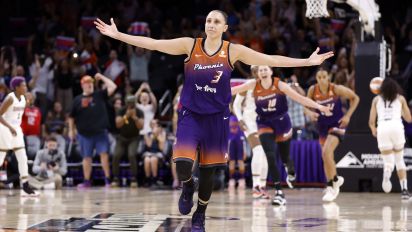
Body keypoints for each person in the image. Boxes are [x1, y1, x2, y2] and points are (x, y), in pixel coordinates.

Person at [95, 10, 333, 231]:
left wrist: (306, 62)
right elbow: (154, 44)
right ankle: (188, 185)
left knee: (208, 173)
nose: (211, 24)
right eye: (208, 20)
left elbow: (269, 58)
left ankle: (200, 213)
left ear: (225, 27)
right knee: (182, 165)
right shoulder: (190, 45)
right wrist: (118, 35)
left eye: (216, 21)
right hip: (190, 114)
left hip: (217, 119)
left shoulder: (232, 51)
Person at [232, 65, 332, 206]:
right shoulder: (250, 85)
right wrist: (210, 93)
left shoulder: (279, 84)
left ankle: (282, 173)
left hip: (281, 122)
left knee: (283, 157)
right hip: (258, 123)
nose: (260, 72)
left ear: (271, 71)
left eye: (263, 69)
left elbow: (299, 98)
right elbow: (232, 95)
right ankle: (267, 189)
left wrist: (320, 107)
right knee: (264, 153)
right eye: (258, 70)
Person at [305, 69, 359, 202]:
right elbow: (305, 105)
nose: (322, 79)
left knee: (326, 152)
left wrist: (348, 116)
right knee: (326, 157)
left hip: (337, 125)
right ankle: (334, 180)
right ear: (316, 78)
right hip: (322, 127)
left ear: (328, 77)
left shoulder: (336, 89)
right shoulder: (313, 90)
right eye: (319, 77)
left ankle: (331, 185)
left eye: (324, 76)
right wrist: (309, 113)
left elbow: (355, 98)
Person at [68, 73, 117, 188]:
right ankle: (86, 181)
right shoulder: (77, 100)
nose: (89, 85)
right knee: (86, 157)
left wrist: (102, 77)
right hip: (84, 134)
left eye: (91, 83)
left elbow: (113, 87)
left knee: (104, 155)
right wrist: (71, 130)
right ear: (82, 85)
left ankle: (107, 180)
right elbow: (71, 117)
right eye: (87, 83)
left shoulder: (99, 95)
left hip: (100, 132)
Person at [369, 77, 412, 199]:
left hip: (383, 127)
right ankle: (404, 191)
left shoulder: (376, 99)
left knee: (388, 161)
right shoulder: (401, 98)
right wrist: (402, 112)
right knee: (399, 160)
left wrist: (373, 130)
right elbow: (409, 119)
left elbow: (371, 121)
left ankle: (387, 172)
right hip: (397, 127)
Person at [232, 65, 269, 199]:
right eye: (254, 70)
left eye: (258, 70)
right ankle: (255, 186)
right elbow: (235, 104)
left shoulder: (268, 85)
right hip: (249, 122)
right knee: (258, 150)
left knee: (265, 153)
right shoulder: (248, 85)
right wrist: (240, 119)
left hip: (263, 122)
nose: (256, 73)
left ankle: (263, 186)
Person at [0, 76, 39, 196]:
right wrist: (10, 127)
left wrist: (29, 101)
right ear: (16, 87)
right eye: (23, 85)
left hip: (17, 129)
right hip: (5, 128)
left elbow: (21, 110)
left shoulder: (23, 98)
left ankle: (25, 185)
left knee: (23, 157)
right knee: (1, 158)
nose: (26, 87)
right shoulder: (10, 98)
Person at [111, 95, 144, 188]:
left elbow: (141, 127)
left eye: (132, 103)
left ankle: (134, 178)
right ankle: (116, 178)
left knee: (131, 155)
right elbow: (118, 124)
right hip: (122, 138)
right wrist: (126, 116)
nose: (131, 105)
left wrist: (135, 118)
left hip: (134, 138)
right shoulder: (121, 110)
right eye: (129, 103)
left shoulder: (139, 112)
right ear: (126, 103)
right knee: (116, 155)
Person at [142, 119, 166, 187]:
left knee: (153, 159)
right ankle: (148, 179)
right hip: (149, 152)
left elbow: (161, 148)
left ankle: (155, 179)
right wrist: (152, 135)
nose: (153, 125)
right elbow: (149, 145)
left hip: (158, 153)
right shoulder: (147, 134)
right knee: (147, 159)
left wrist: (157, 136)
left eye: (155, 124)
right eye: (152, 124)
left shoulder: (162, 133)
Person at [227, 114, 247, 190]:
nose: (232, 124)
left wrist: (245, 152)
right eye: (231, 122)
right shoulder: (228, 130)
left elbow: (244, 142)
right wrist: (227, 153)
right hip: (231, 147)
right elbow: (227, 143)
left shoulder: (240, 129)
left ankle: (242, 180)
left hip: (239, 146)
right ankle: (231, 180)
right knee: (231, 163)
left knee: (240, 162)